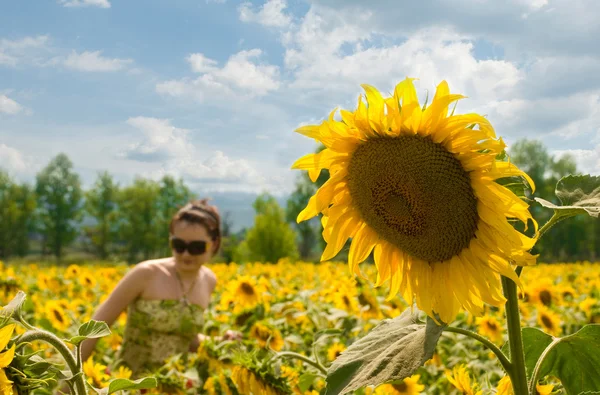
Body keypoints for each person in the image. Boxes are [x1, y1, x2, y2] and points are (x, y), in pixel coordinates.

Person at [60, 199, 240, 392]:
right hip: (128, 385)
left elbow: (185, 336)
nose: (186, 254)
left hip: (174, 387)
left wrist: (220, 342)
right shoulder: (146, 273)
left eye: (196, 247)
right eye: (178, 245)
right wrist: (65, 387)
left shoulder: (209, 281)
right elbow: (93, 330)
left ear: (214, 244)